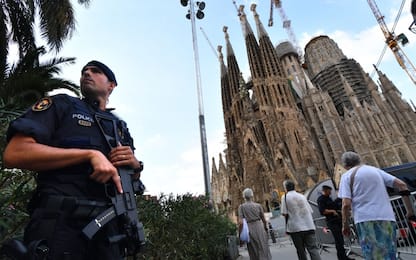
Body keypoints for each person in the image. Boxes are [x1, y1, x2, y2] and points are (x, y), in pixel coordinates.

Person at [3, 60, 144, 259]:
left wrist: (136, 166)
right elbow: (15, 153)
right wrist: (88, 155)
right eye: (84, 71)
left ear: (111, 85)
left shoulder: (119, 127)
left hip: (110, 234)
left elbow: (132, 181)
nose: (87, 74)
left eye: (95, 71)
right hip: (60, 225)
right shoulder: (62, 105)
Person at [338, 151, 415, 260]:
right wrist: (409, 210)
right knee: (390, 253)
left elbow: (346, 204)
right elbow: (402, 185)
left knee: (373, 255)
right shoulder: (375, 170)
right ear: (359, 160)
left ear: (345, 165)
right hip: (387, 218)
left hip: (365, 220)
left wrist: (345, 225)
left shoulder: (346, 176)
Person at [281, 180, 321, 260]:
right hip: (309, 226)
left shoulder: (285, 197)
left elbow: (284, 213)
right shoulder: (302, 196)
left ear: (286, 188)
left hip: (296, 228)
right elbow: (310, 210)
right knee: (313, 249)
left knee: (301, 250)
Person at [317, 185, 353, 260]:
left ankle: (343, 256)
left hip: (337, 220)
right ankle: (341, 257)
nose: (330, 192)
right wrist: (332, 211)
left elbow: (334, 206)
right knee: (338, 240)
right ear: (325, 190)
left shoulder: (329, 198)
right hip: (332, 222)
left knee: (341, 239)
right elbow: (323, 211)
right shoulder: (321, 199)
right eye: (329, 190)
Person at [238, 188, 272, 260]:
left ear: (244, 197)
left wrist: (240, 235)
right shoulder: (258, 206)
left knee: (253, 249)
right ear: (252, 196)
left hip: (249, 228)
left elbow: (241, 223)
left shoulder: (241, 207)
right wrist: (265, 227)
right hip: (259, 226)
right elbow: (263, 219)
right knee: (263, 247)